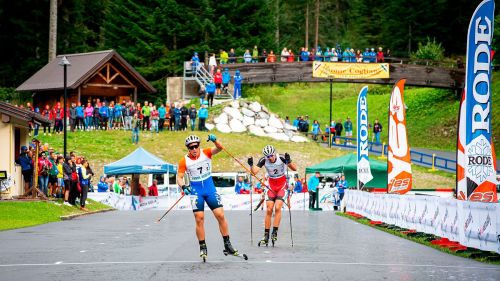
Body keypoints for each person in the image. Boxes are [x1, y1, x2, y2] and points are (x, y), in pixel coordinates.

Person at [176, 134, 240, 259]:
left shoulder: (206, 152)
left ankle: (227, 244)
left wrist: (215, 140)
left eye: (196, 146)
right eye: (191, 147)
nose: (194, 149)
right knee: (199, 218)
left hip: (209, 188)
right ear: (188, 148)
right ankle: (203, 247)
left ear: (199, 145)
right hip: (196, 190)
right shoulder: (184, 160)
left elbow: (220, 148)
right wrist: (183, 186)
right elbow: (179, 177)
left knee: (220, 215)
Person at [248, 145, 297, 247]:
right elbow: (254, 173)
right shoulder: (263, 160)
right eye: (267, 156)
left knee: (278, 207)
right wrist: (251, 165)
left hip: (281, 184)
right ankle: (266, 236)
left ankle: (274, 232)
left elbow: (294, 168)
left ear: (274, 153)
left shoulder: (282, 157)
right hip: (271, 185)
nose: (269, 158)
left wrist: (289, 161)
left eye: (271, 155)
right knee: (269, 209)